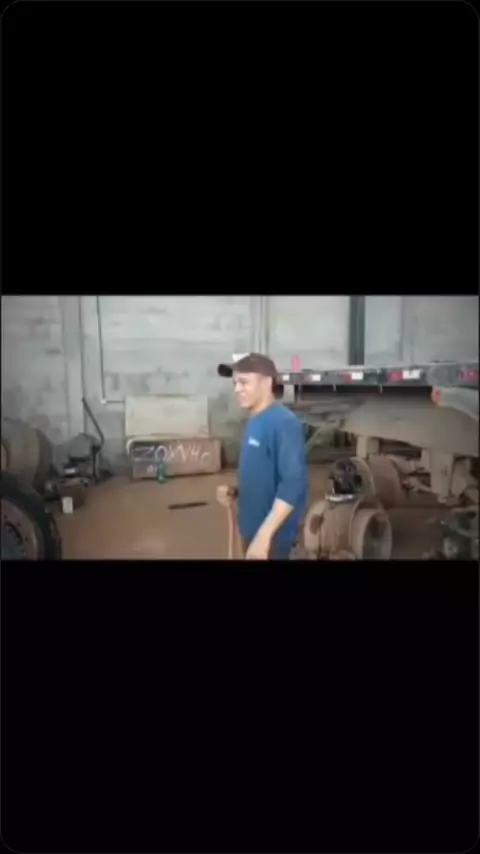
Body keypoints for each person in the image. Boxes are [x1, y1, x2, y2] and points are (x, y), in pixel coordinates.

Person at [216, 353, 308, 560]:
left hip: (274, 543)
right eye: (235, 383)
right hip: (253, 534)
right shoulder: (256, 419)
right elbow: (265, 474)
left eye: (243, 382)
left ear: (267, 383)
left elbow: (294, 483)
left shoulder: (284, 423)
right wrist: (236, 491)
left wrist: (264, 537)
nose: (237, 389)